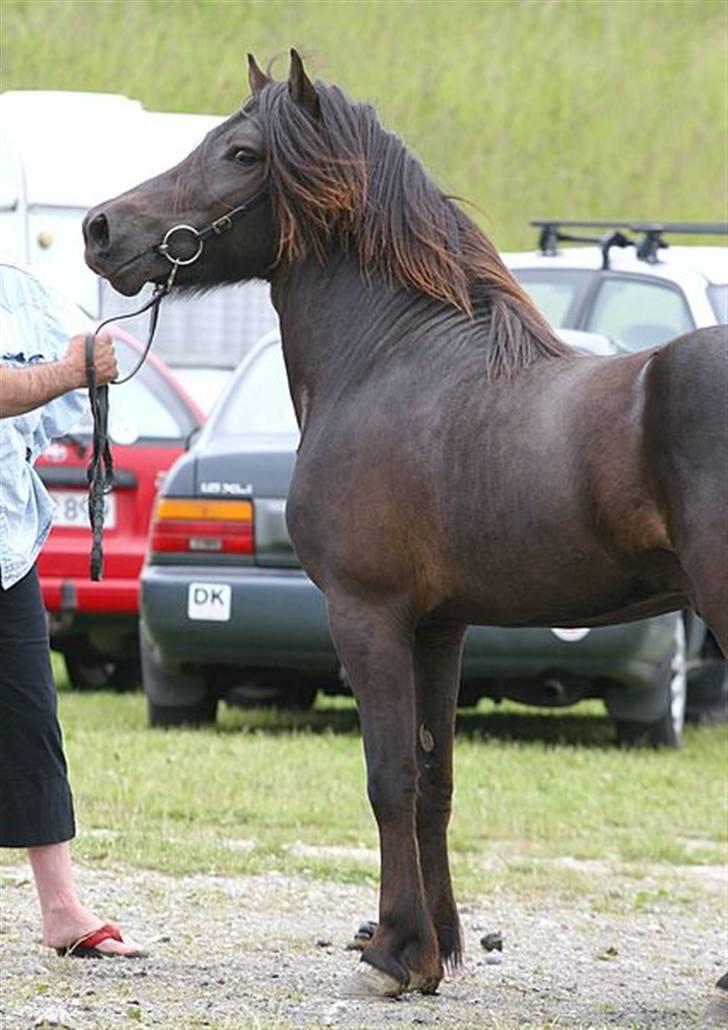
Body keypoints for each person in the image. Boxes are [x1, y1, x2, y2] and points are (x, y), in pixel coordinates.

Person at [0, 260, 144, 957]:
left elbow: (88, 355)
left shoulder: (18, 289)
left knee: (31, 721)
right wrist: (68, 372)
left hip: (5, 545)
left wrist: (93, 362)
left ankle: (61, 909)